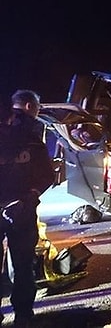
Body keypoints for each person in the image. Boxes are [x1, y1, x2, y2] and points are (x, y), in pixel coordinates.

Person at [0, 94, 53, 327]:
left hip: (17, 206)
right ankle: (23, 316)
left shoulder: (27, 136)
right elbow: (46, 174)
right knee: (23, 264)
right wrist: (29, 198)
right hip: (22, 208)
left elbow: (45, 173)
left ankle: (20, 315)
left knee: (21, 264)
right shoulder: (33, 133)